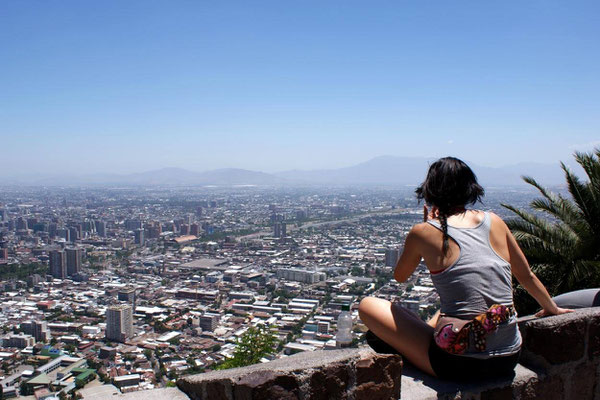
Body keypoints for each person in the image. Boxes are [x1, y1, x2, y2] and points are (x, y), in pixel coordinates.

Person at [358, 157, 572, 381]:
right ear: (470, 188)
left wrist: (423, 232)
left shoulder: (423, 231)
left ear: (430, 190)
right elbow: (526, 275)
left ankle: (435, 339)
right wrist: (552, 309)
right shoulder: (495, 221)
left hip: (457, 363)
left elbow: (400, 276)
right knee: (453, 309)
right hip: (508, 358)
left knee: (368, 305)